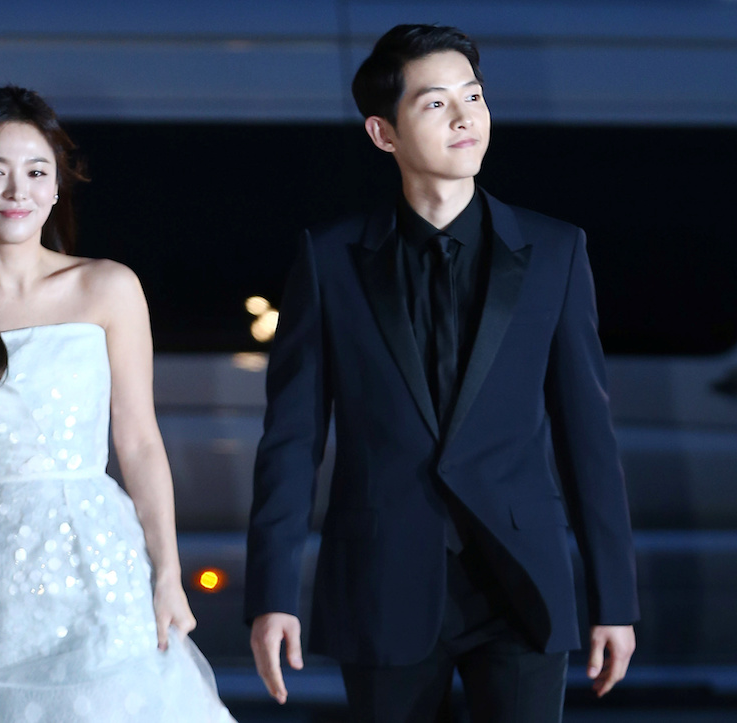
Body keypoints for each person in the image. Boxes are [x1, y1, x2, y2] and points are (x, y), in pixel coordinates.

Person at [245, 24, 639, 722]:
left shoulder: (554, 250)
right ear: (382, 133)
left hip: (520, 583)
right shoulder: (329, 258)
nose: (466, 116)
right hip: (383, 576)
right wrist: (272, 594)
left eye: (475, 96)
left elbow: (588, 436)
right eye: (435, 103)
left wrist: (615, 600)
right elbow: (291, 441)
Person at [0, 86, 235, 722]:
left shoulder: (107, 287)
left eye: (36, 172)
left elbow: (138, 442)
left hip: (97, 566)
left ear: (57, 188)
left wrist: (167, 573)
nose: (16, 191)